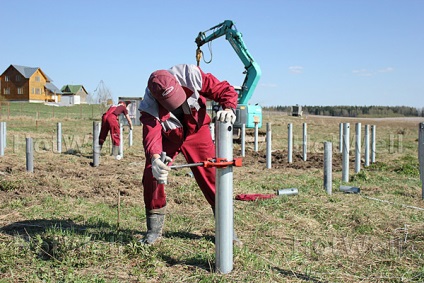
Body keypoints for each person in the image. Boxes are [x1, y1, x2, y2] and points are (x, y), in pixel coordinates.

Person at [138, 64, 238, 244]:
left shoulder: (191, 74)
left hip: (197, 130)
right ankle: (153, 231)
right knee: (152, 175)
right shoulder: (148, 105)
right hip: (169, 136)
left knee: (213, 175)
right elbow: (151, 134)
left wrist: (229, 108)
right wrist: (154, 158)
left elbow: (223, 89)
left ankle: (227, 229)